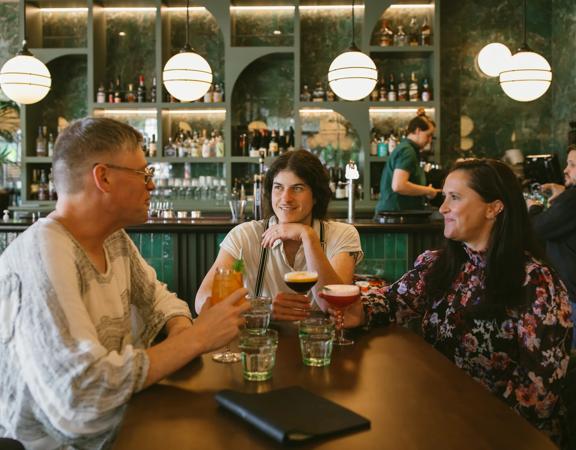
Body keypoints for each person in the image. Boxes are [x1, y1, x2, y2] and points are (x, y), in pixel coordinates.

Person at [0, 118, 249, 449]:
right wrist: (198, 338)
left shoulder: (113, 240)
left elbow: (163, 301)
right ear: (103, 177)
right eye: (144, 174)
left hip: (124, 423)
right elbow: (81, 402)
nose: (152, 186)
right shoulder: (42, 254)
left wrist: (180, 329)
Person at [343, 159, 572, 446]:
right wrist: (359, 310)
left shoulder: (536, 283)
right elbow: (392, 301)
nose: (443, 208)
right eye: (444, 197)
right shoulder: (441, 264)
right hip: (441, 419)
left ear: (494, 208)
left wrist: (468, 428)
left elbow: (538, 394)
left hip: (505, 436)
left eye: (455, 197)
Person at [195, 149, 363, 321]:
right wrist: (262, 309)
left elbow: (335, 306)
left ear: (316, 196)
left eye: (297, 188)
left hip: (318, 341)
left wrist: (308, 236)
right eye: (278, 187)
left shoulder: (342, 234)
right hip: (260, 343)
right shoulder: (244, 236)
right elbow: (203, 302)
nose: (285, 198)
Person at [526, 145, 576, 344]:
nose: (565, 170)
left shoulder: (573, 200)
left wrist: (534, 207)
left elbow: (535, 230)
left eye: (572, 165)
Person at [375, 108, 440, 213]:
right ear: (418, 131)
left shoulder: (407, 148)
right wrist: (428, 190)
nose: (429, 140)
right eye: (428, 135)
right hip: (397, 216)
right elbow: (399, 185)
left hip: (397, 214)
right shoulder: (407, 151)